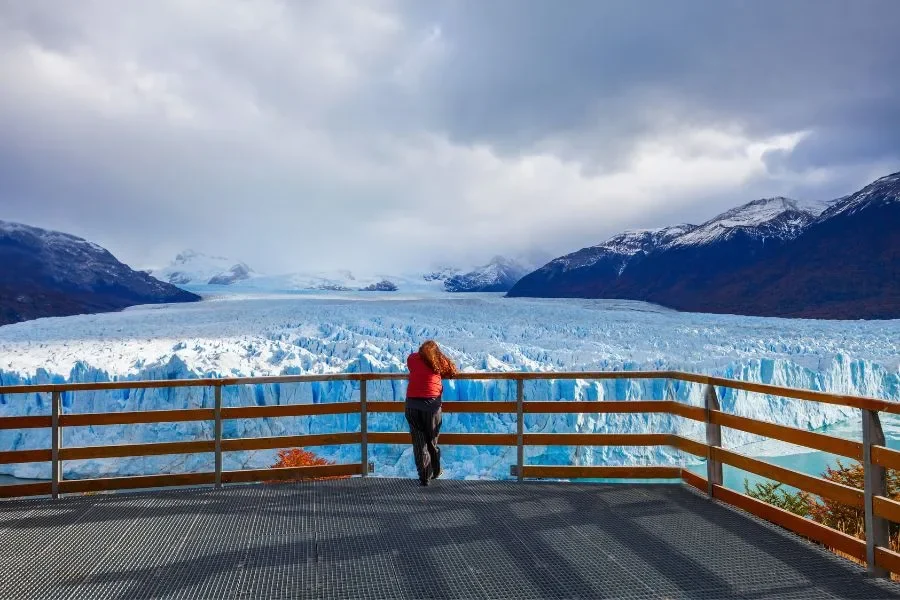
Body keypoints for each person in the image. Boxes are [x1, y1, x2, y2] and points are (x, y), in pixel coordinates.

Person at [405, 340, 457, 486]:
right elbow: (452, 370)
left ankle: (424, 477)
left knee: (419, 443)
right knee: (432, 442)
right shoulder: (439, 362)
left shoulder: (412, 358)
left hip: (412, 405)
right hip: (431, 407)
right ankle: (435, 471)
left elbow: (411, 366)